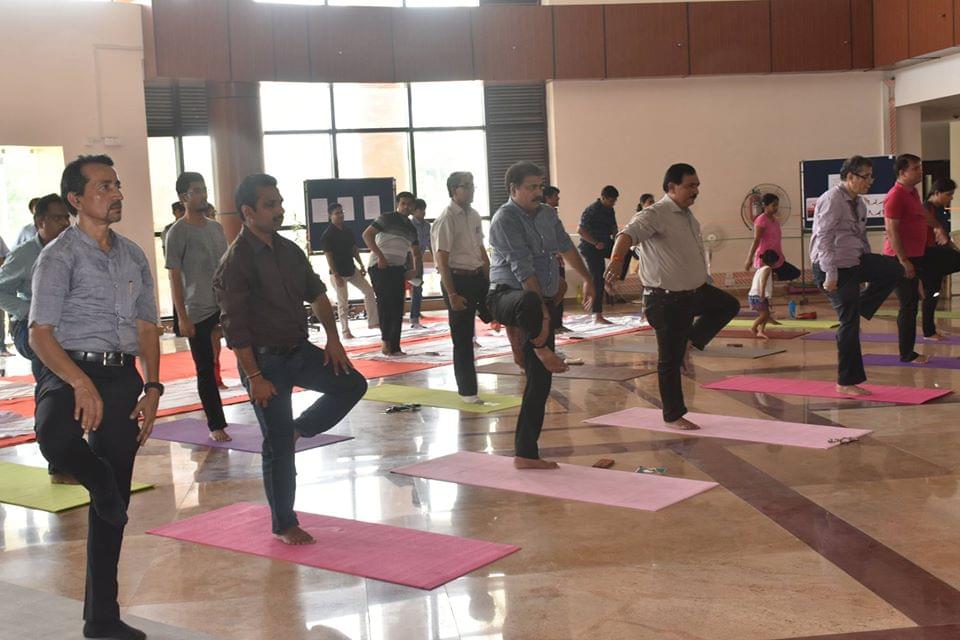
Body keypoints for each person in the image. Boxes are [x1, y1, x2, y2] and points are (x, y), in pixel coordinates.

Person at [31, 154, 161, 640]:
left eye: (117, 185)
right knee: (53, 437)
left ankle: (102, 618)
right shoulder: (58, 256)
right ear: (76, 199)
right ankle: (98, 479)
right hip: (67, 368)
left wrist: (152, 386)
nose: (117, 194)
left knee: (113, 508)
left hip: (121, 374)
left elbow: (147, 327)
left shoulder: (133, 255)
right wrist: (79, 384)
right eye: (104, 187)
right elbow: (40, 333)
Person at [214, 173, 367, 545]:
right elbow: (235, 328)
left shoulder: (288, 250)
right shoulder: (236, 260)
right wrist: (254, 377)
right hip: (263, 363)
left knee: (352, 384)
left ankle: (300, 427)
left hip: (298, 351)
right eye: (270, 205)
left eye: (280, 202)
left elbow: (317, 295)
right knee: (278, 447)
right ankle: (284, 524)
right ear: (248, 212)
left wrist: (333, 340)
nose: (279, 210)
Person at [604, 163, 740, 431]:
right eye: (690, 186)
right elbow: (626, 235)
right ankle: (673, 415)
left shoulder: (687, 216)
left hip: (693, 293)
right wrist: (617, 261)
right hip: (665, 300)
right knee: (669, 361)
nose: (696, 191)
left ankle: (691, 340)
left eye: (697, 185)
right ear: (671, 187)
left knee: (727, 305)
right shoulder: (655, 214)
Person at [488, 161, 596, 469]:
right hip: (507, 297)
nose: (539, 192)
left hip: (535, 303)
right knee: (530, 302)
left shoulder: (547, 214)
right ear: (514, 189)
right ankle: (541, 348)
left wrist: (588, 279)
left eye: (540, 186)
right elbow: (523, 270)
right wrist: (545, 319)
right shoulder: (505, 219)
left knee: (540, 380)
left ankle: (525, 454)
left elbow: (567, 247)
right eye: (532, 187)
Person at [810, 155, 903, 395]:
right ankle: (845, 382)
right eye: (866, 176)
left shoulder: (859, 203)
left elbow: (861, 237)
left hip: (855, 262)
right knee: (849, 323)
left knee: (895, 269)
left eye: (871, 176)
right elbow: (824, 239)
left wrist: (870, 265)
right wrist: (830, 275)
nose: (870, 181)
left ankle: (861, 305)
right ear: (850, 176)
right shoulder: (832, 200)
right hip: (833, 267)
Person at [0, 193, 72, 483]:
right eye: (57, 218)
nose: (65, 223)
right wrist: (27, 310)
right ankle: (57, 461)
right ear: (40, 222)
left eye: (67, 217)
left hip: (67, 329)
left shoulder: (73, 248)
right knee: (52, 389)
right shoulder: (25, 254)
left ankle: (72, 455)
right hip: (31, 329)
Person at [165, 172, 231, 441]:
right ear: (184, 197)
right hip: (197, 309)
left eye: (204, 189)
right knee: (205, 367)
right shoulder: (177, 233)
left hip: (224, 305)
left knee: (248, 354)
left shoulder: (215, 228)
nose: (203, 195)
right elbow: (174, 277)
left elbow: (226, 266)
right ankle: (216, 424)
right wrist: (182, 317)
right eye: (197, 191)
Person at [433, 171, 490, 403]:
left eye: (472, 185)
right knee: (463, 338)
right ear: (453, 190)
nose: (471, 189)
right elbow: (442, 259)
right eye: (466, 186)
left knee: (502, 313)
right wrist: (452, 294)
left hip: (477, 277)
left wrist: (489, 279)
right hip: (458, 280)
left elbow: (480, 248)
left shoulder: (474, 215)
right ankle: (468, 391)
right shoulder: (447, 218)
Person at [362, 192, 422, 356]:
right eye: (403, 203)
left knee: (397, 306)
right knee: (386, 303)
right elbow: (367, 235)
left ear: (413, 207)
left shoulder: (411, 228)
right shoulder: (387, 218)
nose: (406, 207)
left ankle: (395, 345)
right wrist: (380, 256)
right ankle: (385, 342)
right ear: (397, 204)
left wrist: (415, 270)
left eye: (409, 204)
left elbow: (416, 252)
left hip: (398, 268)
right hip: (379, 267)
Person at [320, 201, 378, 340]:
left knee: (369, 291)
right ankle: (345, 331)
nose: (340, 215)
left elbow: (354, 249)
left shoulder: (347, 231)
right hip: (337, 272)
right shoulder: (327, 235)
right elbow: (329, 256)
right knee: (343, 302)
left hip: (351, 269)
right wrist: (336, 274)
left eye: (342, 212)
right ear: (330, 216)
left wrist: (361, 265)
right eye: (337, 213)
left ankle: (373, 322)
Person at [921, 178, 960, 340]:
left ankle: (930, 330)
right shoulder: (926, 208)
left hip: (938, 255)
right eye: (948, 194)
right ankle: (928, 331)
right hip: (929, 256)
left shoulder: (941, 210)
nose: (951, 198)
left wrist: (954, 248)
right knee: (931, 293)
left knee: (934, 293)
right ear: (937, 193)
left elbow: (945, 237)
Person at [578, 186, 620, 324]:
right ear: (603, 197)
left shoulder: (610, 209)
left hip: (605, 244)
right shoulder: (592, 210)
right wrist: (595, 243)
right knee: (597, 279)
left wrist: (617, 241)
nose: (613, 203)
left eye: (615, 201)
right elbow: (581, 230)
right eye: (611, 201)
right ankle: (597, 315)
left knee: (625, 251)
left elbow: (614, 227)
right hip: (591, 247)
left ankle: (610, 279)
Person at [743, 193, 801, 281]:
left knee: (795, 273)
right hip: (766, 257)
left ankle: (768, 278)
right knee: (765, 283)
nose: (776, 208)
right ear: (765, 206)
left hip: (776, 257)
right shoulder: (761, 220)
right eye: (773, 205)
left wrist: (780, 254)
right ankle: (764, 280)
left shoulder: (775, 221)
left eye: (777, 205)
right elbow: (756, 240)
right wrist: (749, 259)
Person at [542, 186, 572, 334]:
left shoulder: (552, 213)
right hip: (549, 258)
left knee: (560, 287)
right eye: (555, 196)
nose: (558, 199)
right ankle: (551, 323)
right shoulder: (542, 214)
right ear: (547, 198)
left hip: (557, 256)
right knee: (553, 289)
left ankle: (557, 323)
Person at [620, 193, 655, 280]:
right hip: (638, 249)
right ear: (643, 204)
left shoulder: (654, 216)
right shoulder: (639, 217)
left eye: (653, 202)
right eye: (650, 202)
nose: (653, 204)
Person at [409, 198, 431, 329]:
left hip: (419, 260)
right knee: (413, 289)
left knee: (418, 288)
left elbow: (430, 244)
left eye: (424, 209)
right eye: (420, 210)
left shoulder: (427, 226)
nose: (423, 212)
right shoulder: (409, 225)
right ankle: (413, 317)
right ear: (414, 211)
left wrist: (437, 261)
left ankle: (415, 317)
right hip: (408, 261)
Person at [749, 250, 779, 339]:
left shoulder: (760, 269)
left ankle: (761, 331)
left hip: (754, 294)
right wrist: (762, 294)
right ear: (773, 261)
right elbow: (763, 282)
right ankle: (753, 327)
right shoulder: (767, 269)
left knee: (766, 314)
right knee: (764, 315)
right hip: (758, 295)